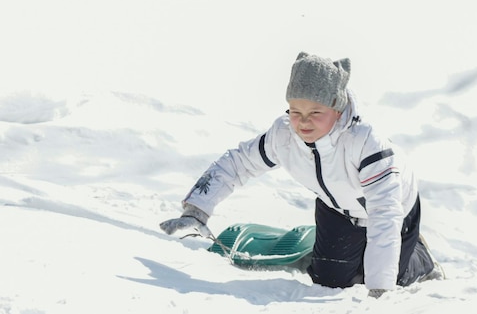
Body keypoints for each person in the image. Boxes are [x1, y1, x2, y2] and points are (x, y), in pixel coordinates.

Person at [160, 52, 441, 298]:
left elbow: (384, 216)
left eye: (315, 111)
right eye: (296, 111)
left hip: (393, 212)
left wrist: (381, 287)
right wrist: (197, 209)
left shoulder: (366, 144)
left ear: (337, 108)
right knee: (330, 282)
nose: (303, 121)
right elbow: (238, 163)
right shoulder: (284, 135)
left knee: (384, 277)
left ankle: (421, 256)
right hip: (337, 209)